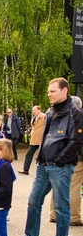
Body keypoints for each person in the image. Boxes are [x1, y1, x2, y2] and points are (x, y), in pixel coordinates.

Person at [15, 77, 83, 236]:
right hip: (43, 164)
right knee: (33, 200)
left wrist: (59, 160)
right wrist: (41, 158)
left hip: (60, 166)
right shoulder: (51, 110)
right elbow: (46, 138)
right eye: (48, 91)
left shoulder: (74, 113)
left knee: (61, 206)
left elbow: (76, 142)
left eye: (52, 91)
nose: (49, 94)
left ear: (65, 90)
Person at [48, 96, 83, 226]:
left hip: (58, 156)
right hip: (75, 158)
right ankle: (73, 216)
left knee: (57, 185)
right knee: (74, 187)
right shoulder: (78, 117)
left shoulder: (59, 116)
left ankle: (54, 214)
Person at [19, 105, 46, 175]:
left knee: (43, 155)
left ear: (39, 110)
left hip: (41, 140)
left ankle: (44, 171)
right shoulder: (33, 118)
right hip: (33, 140)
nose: (34, 112)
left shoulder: (44, 117)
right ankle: (25, 169)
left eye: (35, 110)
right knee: (29, 154)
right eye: (33, 110)